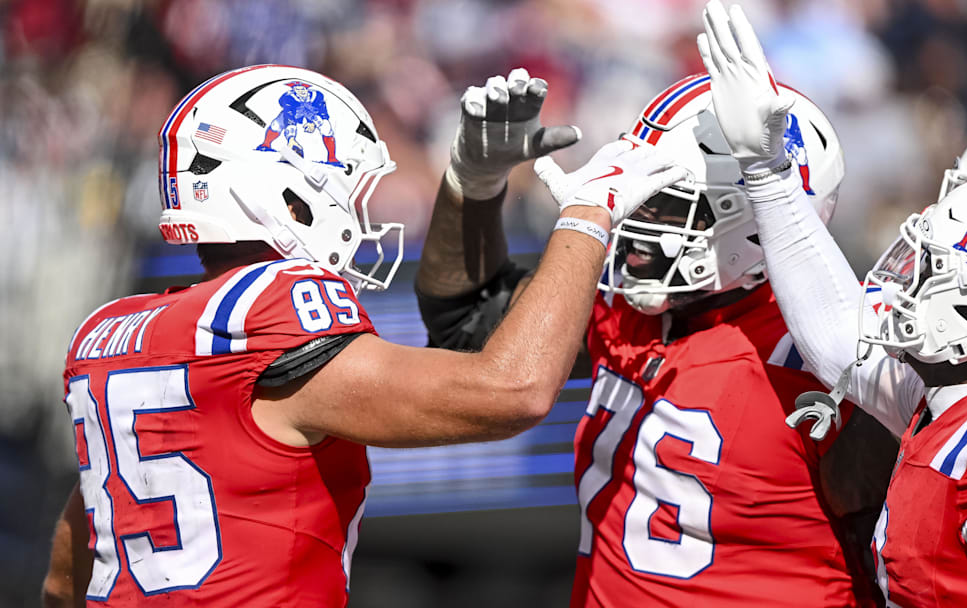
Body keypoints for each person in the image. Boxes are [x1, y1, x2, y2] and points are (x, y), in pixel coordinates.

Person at [39, 64, 690, 607]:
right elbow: (511, 390)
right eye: (347, 186)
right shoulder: (268, 310)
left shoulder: (110, 331)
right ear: (290, 196)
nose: (359, 210)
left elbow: (66, 576)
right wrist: (587, 213)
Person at [415, 63, 894, 605]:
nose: (636, 230)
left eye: (667, 207)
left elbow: (905, 564)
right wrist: (472, 186)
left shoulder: (832, 353)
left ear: (755, 225)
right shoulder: (624, 300)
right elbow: (466, 332)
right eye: (639, 201)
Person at [695, 2, 967, 604]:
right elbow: (835, 335)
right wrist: (766, 173)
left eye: (946, 260)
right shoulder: (959, 405)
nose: (905, 280)